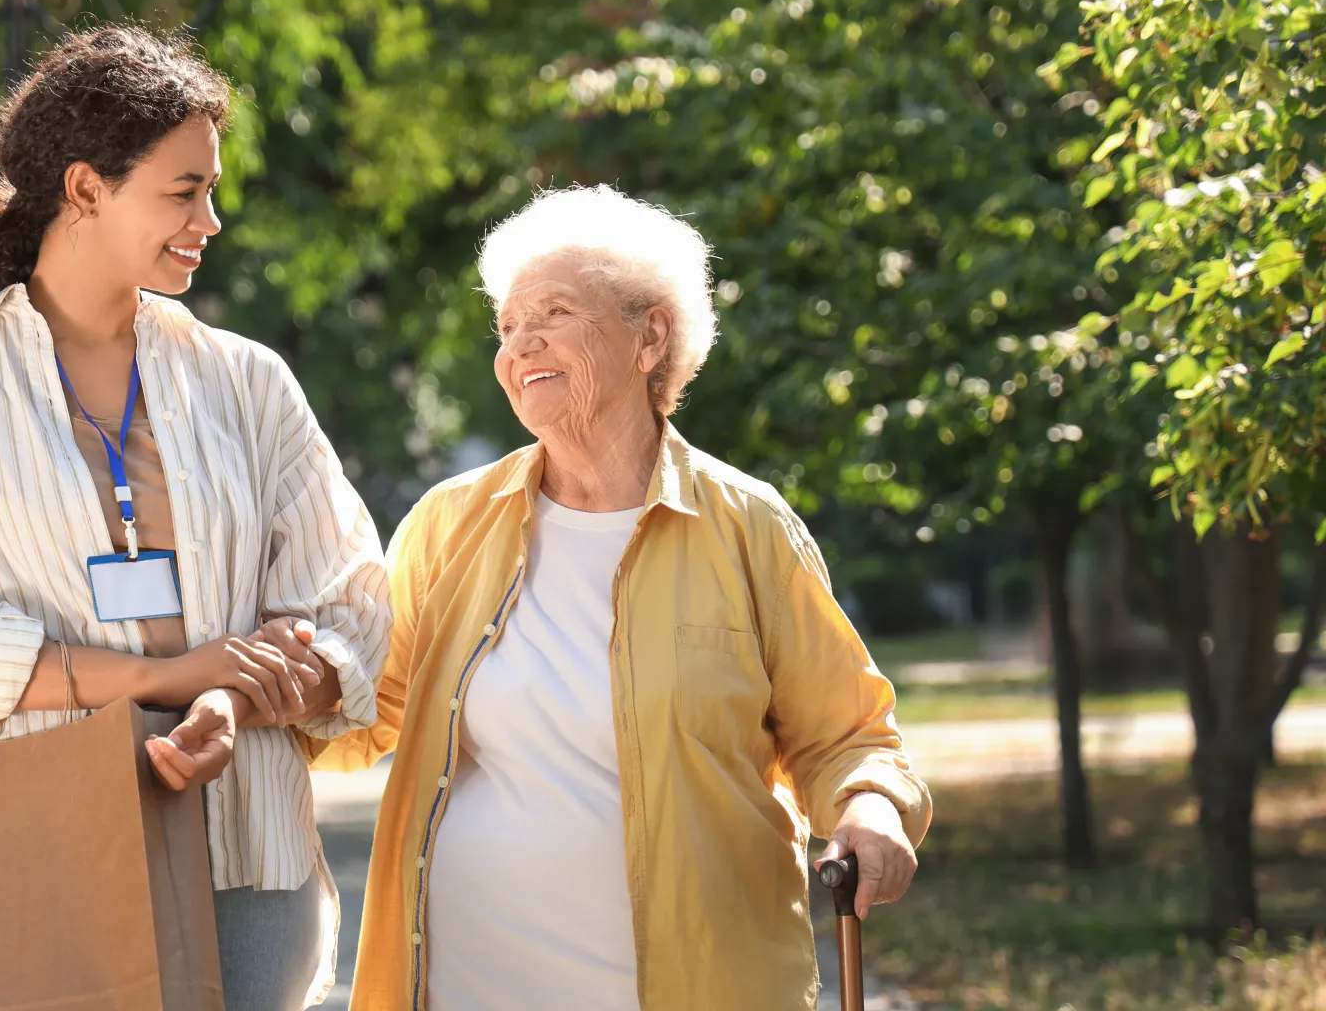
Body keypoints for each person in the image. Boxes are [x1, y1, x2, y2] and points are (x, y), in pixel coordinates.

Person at [0, 24, 390, 1011]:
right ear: (86, 188)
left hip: (246, 851)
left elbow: (352, 606)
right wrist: (153, 678)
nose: (211, 219)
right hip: (34, 849)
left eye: (212, 188)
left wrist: (230, 698)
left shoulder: (247, 381)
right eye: (184, 191)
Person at [308, 184, 933, 1009]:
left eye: (556, 312)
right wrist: (242, 686)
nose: (520, 341)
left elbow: (846, 735)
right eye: (506, 326)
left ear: (651, 337)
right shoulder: (449, 523)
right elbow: (366, 703)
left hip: (700, 982)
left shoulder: (747, 528)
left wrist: (873, 808)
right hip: (470, 982)